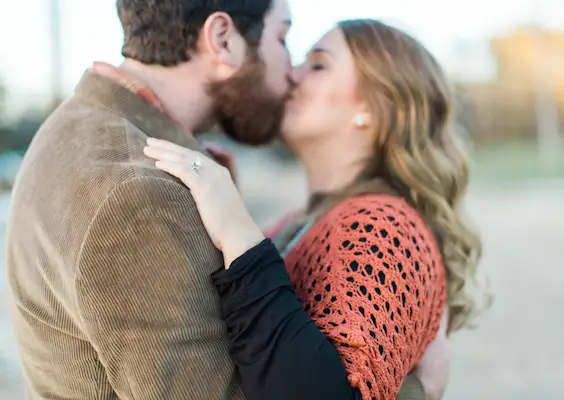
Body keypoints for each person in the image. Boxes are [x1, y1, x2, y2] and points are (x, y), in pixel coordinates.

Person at [5, 1, 443, 399]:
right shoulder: (137, 194)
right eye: (283, 38)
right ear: (223, 40)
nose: (290, 69)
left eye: (317, 63)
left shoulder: (78, 132)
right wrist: (414, 391)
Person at [144, 19, 485, 400]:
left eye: (318, 65)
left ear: (375, 107)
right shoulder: (301, 222)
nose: (291, 74)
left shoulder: (386, 227)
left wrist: (238, 233)